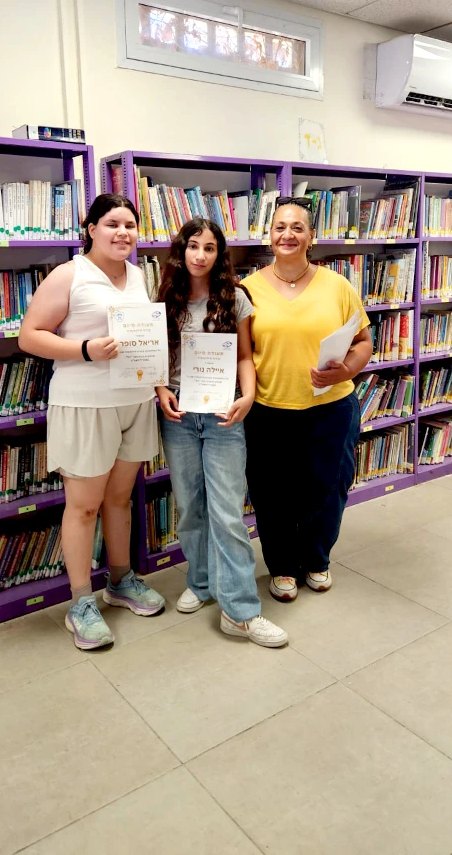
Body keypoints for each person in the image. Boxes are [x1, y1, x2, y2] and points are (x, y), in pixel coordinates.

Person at [19, 193, 165, 650]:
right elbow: (29, 336)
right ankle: (81, 602)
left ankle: (120, 581)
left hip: (134, 400)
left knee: (119, 500)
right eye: (112, 224)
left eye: (130, 225)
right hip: (85, 405)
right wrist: (85, 350)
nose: (123, 232)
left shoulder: (138, 275)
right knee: (83, 507)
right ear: (91, 229)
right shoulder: (70, 274)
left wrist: (158, 382)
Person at [156, 217, 288, 647]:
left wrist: (247, 396)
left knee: (228, 512)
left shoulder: (235, 297)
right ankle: (201, 582)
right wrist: (160, 389)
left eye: (209, 248)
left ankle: (241, 611)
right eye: (193, 246)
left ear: (219, 254)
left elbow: (245, 356)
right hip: (179, 413)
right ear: (182, 250)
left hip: (223, 413)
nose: (200, 255)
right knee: (190, 507)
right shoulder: (166, 297)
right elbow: (156, 356)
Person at [243, 198, 373, 602]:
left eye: (297, 227)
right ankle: (282, 566)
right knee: (271, 494)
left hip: (330, 408)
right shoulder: (248, 289)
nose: (288, 234)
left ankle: (317, 559)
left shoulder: (337, 285)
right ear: (269, 236)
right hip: (268, 409)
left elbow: (364, 341)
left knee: (328, 488)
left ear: (312, 237)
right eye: (280, 227)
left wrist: (347, 370)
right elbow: (241, 353)